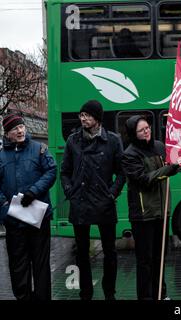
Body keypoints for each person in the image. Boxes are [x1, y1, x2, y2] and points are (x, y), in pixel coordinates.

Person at [60, 100, 126, 300]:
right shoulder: (73, 140)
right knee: (81, 252)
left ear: (97, 118)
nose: (83, 119)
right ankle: (85, 292)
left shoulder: (113, 140)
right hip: (80, 201)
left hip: (104, 202)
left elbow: (122, 173)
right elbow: (64, 172)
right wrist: (70, 190)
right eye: (81, 115)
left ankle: (109, 292)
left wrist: (112, 194)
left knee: (110, 251)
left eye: (87, 115)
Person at [121, 115, 181, 300]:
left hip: (162, 211)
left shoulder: (159, 146)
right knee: (145, 261)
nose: (146, 131)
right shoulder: (129, 154)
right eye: (142, 130)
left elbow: (167, 166)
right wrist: (168, 170)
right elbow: (144, 180)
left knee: (160, 258)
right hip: (143, 215)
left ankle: (161, 294)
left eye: (147, 127)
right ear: (134, 133)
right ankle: (146, 296)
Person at [0, 113, 57, 300]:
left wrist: (33, 192)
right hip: (14, 220)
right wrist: (5, 205)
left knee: (40, 264)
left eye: (22, 126)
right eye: (15, 128)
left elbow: (51, 171)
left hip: (38, 218)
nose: (20, 130)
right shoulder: (1, 155)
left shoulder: (39, 149)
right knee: (18, 265)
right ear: (7, 134)